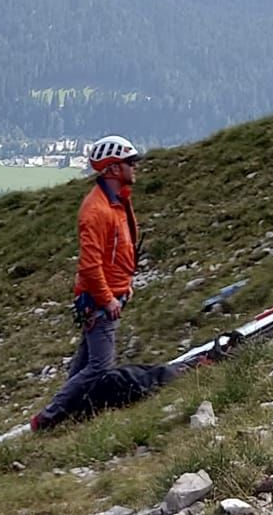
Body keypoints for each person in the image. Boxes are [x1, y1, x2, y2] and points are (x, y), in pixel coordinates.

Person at [31, 135, 174, 431]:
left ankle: (64, 412)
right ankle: (48, 417)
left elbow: (117, 251)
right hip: (99, 301)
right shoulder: (96, 211)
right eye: (129, 162)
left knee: (85, 363)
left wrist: (124, 286)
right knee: (100, 366)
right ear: (111, 169)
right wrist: (108, 298)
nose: (135, 167)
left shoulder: (117, 201)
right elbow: (90, 264)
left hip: (110, 294)